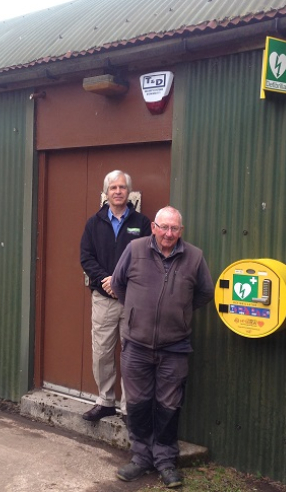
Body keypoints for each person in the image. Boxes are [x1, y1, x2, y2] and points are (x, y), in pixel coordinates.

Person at [111, 206, 214, 488]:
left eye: (174, 229)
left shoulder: (194, 257)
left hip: (175, 347)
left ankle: (166, 460)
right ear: (154, 227)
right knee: (139, 404)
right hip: (136, 345)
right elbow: (119, 285)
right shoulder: (135, 249)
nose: (168, 234)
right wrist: (136, 313)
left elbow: (205, 293)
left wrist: (177, 314)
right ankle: (141, 457)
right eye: (163, 227)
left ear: (181, 231)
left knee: (169, 405)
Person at [80, 170, 151, 422]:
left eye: (122, 187)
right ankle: (106, 401)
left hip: (132, 300)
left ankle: (129, 408)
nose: (118, 191)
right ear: (106, 192)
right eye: (113, 188)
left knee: (132, 353)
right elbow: (86, 257)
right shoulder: (94, 223)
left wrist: (120, 280)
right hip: (104, 299)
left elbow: (147, 258)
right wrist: (105, 280)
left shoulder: (142, 223)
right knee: (101, 352)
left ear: (128, 192)